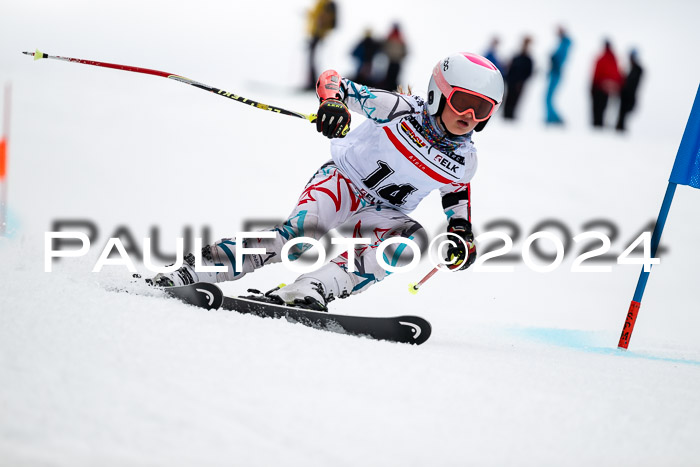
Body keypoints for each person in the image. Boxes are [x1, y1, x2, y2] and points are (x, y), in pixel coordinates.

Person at [149, 53, 505, 311]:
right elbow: (332, 80)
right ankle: (195, 270)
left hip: (385, 212)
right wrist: (333, 104)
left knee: (408, 243)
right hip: (342, 183)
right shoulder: (398, 109)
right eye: (462, 102)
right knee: (300, 239)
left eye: (483, 108)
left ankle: (312, 288)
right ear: (437, 93)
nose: (469, 116)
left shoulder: (465, 159)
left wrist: (461, 230)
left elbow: (456, 190)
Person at [590, 40, 623, 127]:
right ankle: (599, 125)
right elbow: (617, 74)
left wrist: (593, 86)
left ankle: (598, 125)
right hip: (606, 89)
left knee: (597, 109)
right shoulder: (614, 59)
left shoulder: (603, 58)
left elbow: (596, 74)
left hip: (600, 88)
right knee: (602, 108)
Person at [305, 0, 337, 90]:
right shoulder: (323, 3)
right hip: (316, 33)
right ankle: (312, 81)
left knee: (312, 58)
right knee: (312, 57)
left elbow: (323, 17)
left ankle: (313, 82)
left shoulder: (325, 3)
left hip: (318, 33)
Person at [545, 27, 572, 124]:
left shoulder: (565, 43)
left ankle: (555, 118)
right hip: (554, 72)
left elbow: (560, 58)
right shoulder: (562, 43)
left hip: (556, 72)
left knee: (548, 98)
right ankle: (551, 117)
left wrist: (554, 59)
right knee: (547, 97)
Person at [503, 37, 534, 120]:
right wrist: (507, 78)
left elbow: (529, 72)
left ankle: (511, 115)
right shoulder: (516, 57)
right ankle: (506, 114)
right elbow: (509, 69)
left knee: (515, 99)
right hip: (511, 82)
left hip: (519, 84)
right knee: (508, 98)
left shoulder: (528, 59)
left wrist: (521, 81)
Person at [616, 49, 643, 132]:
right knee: (621, 116)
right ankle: (620, 130)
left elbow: (631, 84)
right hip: (626, 96)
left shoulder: (637, 69)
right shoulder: (632, 69)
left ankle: (620, 130)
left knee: (623, 116)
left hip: (629, 97)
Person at [381, 23, 408, 91]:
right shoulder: (398, 38)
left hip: (394, 61)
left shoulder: (396, 38)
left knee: (392, 77)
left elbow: (405, 51)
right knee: (391, 77)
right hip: (393, 61)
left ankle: (391, 90)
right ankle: (392, 90)